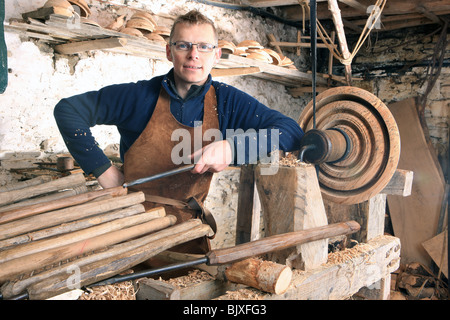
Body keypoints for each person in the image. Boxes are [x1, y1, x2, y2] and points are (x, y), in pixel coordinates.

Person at [54, 10, 304, 253]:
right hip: (129, 229)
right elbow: (68, 111)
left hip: (187, 234)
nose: (194, 55)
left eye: (204, 47)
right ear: (168, 51)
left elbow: (291, 132)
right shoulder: (137, 97)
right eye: (184, 45)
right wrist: (103, 171)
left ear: (216, 55)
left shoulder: (227, 102)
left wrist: (233, 147)